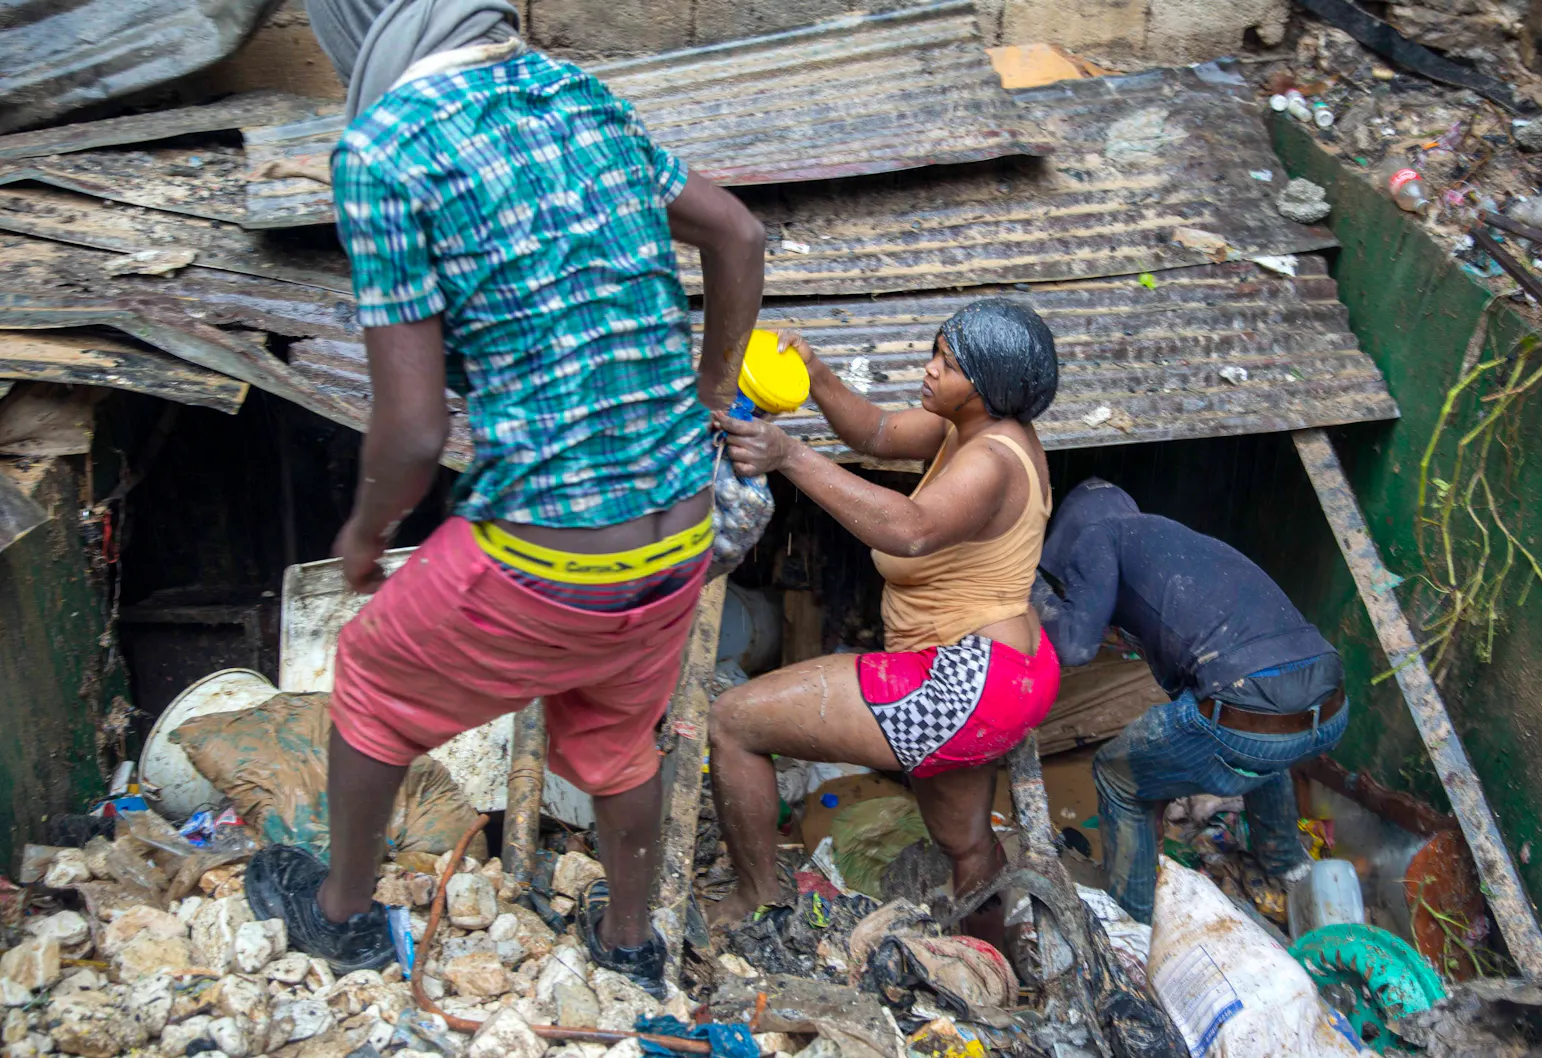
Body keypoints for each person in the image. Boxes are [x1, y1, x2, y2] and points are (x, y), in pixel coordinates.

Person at [245, 0, 767, 993]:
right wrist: (706, 393)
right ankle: (627, 942)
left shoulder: (384, 149)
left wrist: (365, 531)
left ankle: (343, 911)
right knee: (617, 743)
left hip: (547, 550)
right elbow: (737, 235)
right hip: (677, 537)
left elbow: (410, 433)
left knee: (368, 672)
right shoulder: (576, 93)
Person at [707, 300, 1060, 943]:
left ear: (986, 388)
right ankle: (998, 960)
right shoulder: (972, 430)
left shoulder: (991, 462)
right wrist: (814, 373)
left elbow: (910, 530)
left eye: (946, 365)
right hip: (1008, 677)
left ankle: (755, 898)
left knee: (733, 722)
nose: (927, 372)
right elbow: (872, 434)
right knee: (964, 840)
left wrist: (787, 456)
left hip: (964, 681)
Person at [1031, 478, 1347, 924]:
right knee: (1259, 754)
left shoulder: (1099, 535)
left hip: (1250, 708)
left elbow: (1077, 647)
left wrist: (1027, 589)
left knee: (1118, 773)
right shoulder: (1177, 542)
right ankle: (1288, 868)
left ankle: (1134, 923)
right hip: (1329, 703)